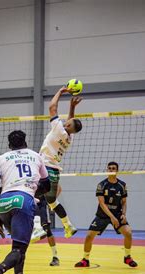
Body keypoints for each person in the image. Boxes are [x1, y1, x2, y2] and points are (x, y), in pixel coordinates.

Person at [0, 130, 50, 274]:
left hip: (4, 202)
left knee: (18, 249)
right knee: (19, 250)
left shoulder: (1, 158)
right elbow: (47, 185)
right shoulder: (36, 156)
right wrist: (33, 190)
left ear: (9, 145)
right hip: (23, 200)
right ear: (25, 142)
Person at [38, 86, 82, 238]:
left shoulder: (58, 129)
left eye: (68, 122)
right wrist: (72, 107)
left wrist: (60, 91)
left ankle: (37, 227)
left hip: (43, 168)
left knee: (32, 195)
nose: (66, 121)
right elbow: (72, 122)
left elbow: (52, 107)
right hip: (55, 171)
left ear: (68, 125)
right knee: (52, 201)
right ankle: (68, 225)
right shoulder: (69, 137)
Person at [74, 162, 138, 268]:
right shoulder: (102, 185)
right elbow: (102, 203)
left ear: (117, 170)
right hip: (102, 215)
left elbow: (124, 202)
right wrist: (112, 218)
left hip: (117, 214)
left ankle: (127, 257)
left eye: (113, 168)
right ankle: (85, 259)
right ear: (107, 170)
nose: (111, 170)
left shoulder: (122, 185)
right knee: (89, 236)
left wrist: (123, 214)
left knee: (128, 233)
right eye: (109, 168)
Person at [32, 195, 60, 266]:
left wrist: (52, 202)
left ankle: (55, 257)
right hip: (30, 203)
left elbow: (58, 188)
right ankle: (19, 254)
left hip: (42, 205)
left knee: (47, 230)